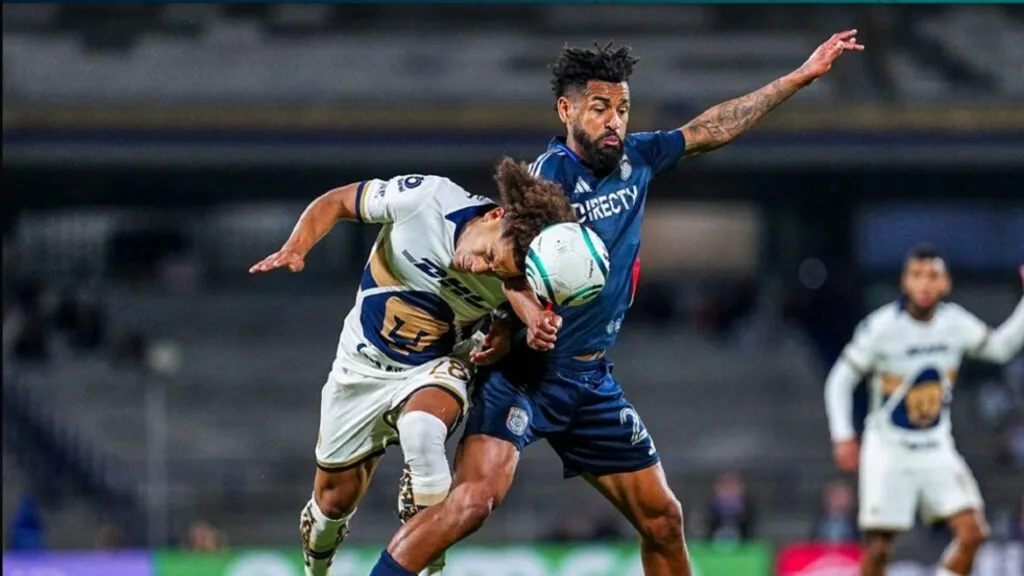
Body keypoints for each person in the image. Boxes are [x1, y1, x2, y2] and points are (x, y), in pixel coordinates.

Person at [370, 31, 863, 576]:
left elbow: (713, 126)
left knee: (662, 519)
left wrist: (798, 77)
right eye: (600, 107)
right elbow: (501, 264)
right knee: (473, 503)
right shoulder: (547, 181)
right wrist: (525, 320)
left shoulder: (639, 158)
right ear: (566, 109)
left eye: (623, 108)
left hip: (590, 380)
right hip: (525, 374)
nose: (615, 120)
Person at [250, 158, 576, 576]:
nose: (482, 268)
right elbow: (335, 202)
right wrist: (297, 246)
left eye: (498, 271)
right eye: (489, 254)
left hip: (435, 367)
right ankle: (319, 561)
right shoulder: (426, 199)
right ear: (496, 215)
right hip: (361, 367)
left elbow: (514, 293)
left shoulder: (515, 273)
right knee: (332, 504)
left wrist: (514, 326)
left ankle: (428, 566)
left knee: (423, 432)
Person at [824, 245, 1024, 576]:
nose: (925, 284)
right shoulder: (881, 327)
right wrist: (843, 435)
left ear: (946, 283)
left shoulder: (954, 323)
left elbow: (1000, 349)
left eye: (933, 276)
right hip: (888, 448)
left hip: (935, 445)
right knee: (878, 548)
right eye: (917, 275)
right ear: (904, 282)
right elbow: (840, 380)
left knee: (973, 533)